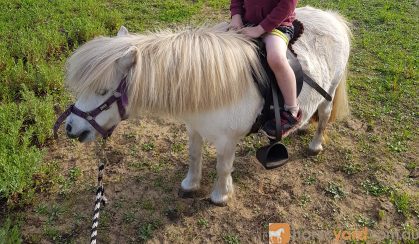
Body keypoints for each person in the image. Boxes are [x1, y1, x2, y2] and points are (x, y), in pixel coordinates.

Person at [229, 0, 302, 138]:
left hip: (277, 26)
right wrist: (236, 16)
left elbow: (287, 5)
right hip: (246, 23)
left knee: (276, 58)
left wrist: (259, 29)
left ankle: (292, 109)